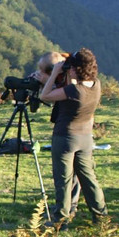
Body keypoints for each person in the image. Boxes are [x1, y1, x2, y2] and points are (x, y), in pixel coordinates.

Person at [38, 48, 107, 224]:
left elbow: (45, 95)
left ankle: (61, 219)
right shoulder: (96, 85)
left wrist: (54, 73)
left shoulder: (73, 90)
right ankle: (101, 216)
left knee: (63, 180)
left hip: (65, 137)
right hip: (85, 138)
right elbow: (77, 85)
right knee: (89, 178)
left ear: (76, 69)